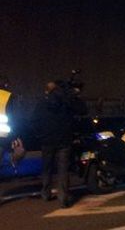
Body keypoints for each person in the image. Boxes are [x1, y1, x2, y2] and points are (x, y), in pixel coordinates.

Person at [32, 80, 86, 208]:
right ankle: (63, 198)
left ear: (47, 90)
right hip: (64, 140)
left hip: (46, 140)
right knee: (63, 169)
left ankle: (46, 193)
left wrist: (40, 135)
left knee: (47, 168)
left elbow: (34, 121)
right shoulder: (66, 103)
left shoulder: (41, 103)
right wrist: (73, 96)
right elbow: (83, 110)